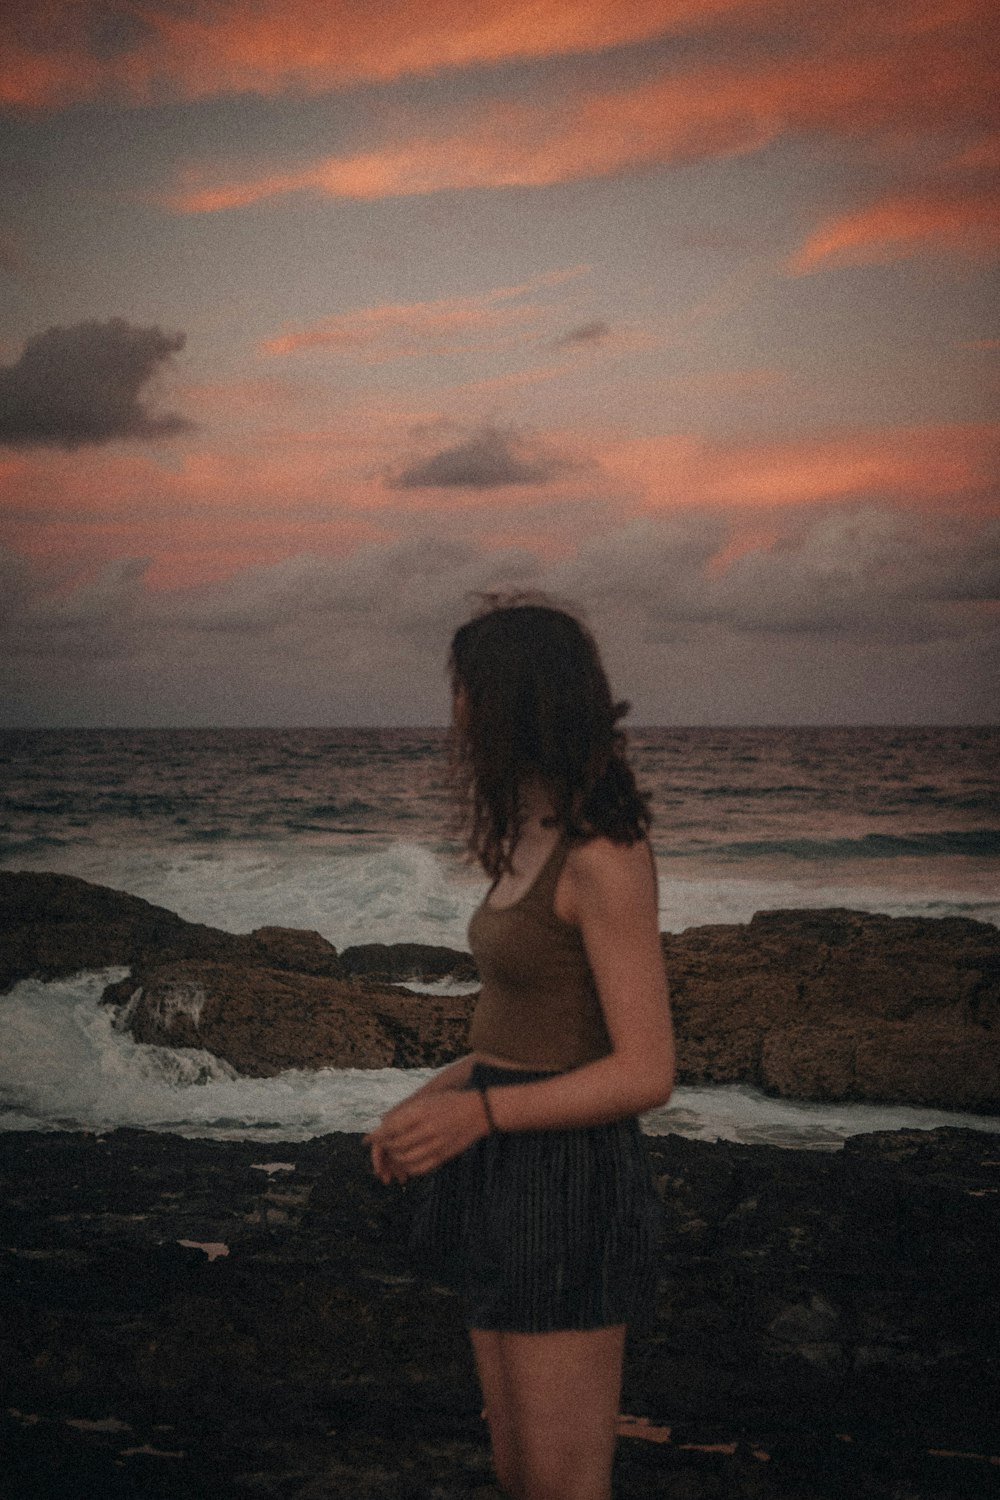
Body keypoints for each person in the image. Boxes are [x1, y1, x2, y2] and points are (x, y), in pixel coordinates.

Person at [365, 597, 674, 1500]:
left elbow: (646, 1070)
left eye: (468, 693)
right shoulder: (528, 838)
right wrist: (436, 1098)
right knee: (517, 1474)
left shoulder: (602, 855)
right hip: (499, 1172)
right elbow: (528, 1022)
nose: (457, 715)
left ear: (513, 705)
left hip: (569, 1181)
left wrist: (481, 1113)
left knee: (562, 1486)